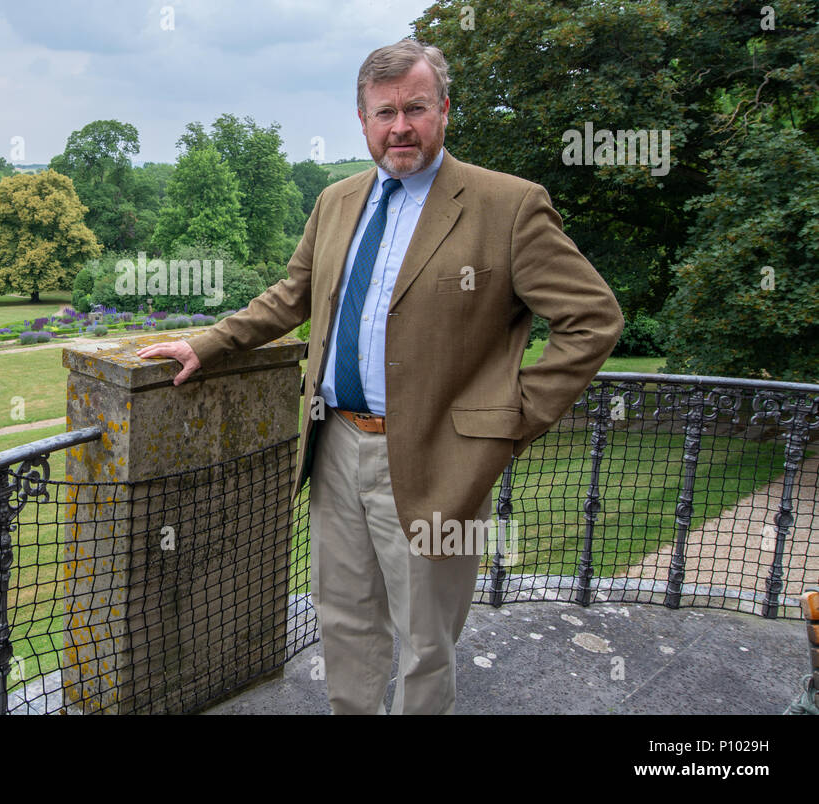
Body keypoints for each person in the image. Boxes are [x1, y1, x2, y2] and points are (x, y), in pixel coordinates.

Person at [137, 39, 623, 714]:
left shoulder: (508, 206)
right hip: (333, 445)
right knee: (345, 619)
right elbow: (292, 295)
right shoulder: (337, 201)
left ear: (444, 111)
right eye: (384, 111)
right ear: (361, 120)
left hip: (438, 457)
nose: (401, 126)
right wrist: (209, 343)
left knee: (426, 639)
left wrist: (509, 421)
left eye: (416, 108)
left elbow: (593, 319)